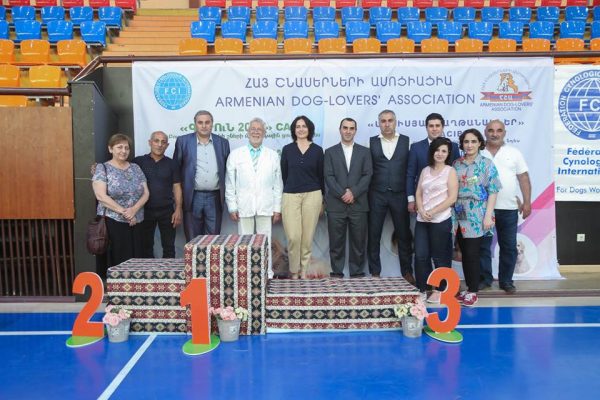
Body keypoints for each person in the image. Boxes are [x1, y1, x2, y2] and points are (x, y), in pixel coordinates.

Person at [225, 118, 283, 278]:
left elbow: (278, 184)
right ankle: (245, 273)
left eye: (259, 129)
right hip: (244, 205)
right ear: (248, 132)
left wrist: (277, 208)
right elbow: (230, 183)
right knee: (244, 242)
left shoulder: (272, 155)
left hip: (266, 205)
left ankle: (266, 273)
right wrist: (232, 206)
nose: (256, 132)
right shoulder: (236, 155)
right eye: (253, 129)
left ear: (264, 133)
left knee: (265, 241)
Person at [480, 120, 532, 294]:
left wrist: (527, 202)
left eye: (499, 130)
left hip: (508, 209)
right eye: (491, 130)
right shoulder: (478, 152)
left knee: (509, 247)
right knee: (483, 247)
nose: (495, 134)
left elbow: (523, 178)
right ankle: (484, 279)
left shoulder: (514, 152)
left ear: (504, 133)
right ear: (485, 132)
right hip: (483, 209)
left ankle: (506, 281)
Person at [453, 128, 501, 307]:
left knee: (473, 253)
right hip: (459, 212)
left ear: (480, 143)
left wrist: (488, 216)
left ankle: (473, 291)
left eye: (473, 141)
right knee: (464, 253)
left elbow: (493, 190)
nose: (469, 145)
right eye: (466, 141)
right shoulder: (456, 164)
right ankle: (468, 289)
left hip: (478, 212)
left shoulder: (486, 164)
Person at [92, 134, 149, 277]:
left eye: (126, 148)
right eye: (119, 147)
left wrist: (134, 210)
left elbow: (146, 193)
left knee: (137, 261)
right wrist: (126, 213)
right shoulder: (102, 168)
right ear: (110, 149)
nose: (123, 151)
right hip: (113, 223)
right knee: (118, 261)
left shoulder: (136, 168)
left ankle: (135, 288)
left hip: (137, 222)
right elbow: (101, 196)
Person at [368, 110, 413, 281]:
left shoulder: (407, 141)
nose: (387, 124)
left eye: (390, 120)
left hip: (400, 194)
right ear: (379, 123)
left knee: (403, 235)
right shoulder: (370, 142)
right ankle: (375, 273)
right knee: (373, 235)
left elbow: (411, 171)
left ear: (395, 122)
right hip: (376, 194)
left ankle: (407, 272)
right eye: (383, 121)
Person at [324, 118, 373, 278]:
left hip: (358, 204)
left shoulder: (365, 152)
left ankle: (357, 273)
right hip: (335, 205)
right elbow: (328, 176)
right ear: (340, 130)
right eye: (345, 128)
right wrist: (342, 194)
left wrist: (353, 192)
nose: (348, 131)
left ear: (355, 131)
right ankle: (337, 273)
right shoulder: (330, 152)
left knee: (358, 242)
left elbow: (367, 175)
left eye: (351, 128)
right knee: (336, 242)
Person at [173, 110, 230, 241]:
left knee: (213, 240)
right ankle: (194, 256)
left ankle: (210, 256)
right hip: (192, 197)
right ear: (195, 124)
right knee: (193, 239)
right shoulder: (183, 141)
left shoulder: (223, 143)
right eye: (200, 122)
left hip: (215, 197)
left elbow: (227, 170)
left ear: (212, 124)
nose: (204, 126)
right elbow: (176, 171)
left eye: (207, 122)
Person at [414, 137, 458, 303]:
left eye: (444, 151)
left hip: (441, 219)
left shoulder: (450, 171)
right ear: (432, 152)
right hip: (422, 219)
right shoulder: (425, 170)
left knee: (440, 257)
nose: (440, 154)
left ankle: (440, 290)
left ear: (448, 154)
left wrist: (432, 211)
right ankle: (423, 288)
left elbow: (452, 197)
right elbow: (418, 192)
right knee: (420, 255)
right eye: (437, 150)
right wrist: (421, 209)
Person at [280, 115, 324, 280]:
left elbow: (321, 176)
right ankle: (294, 271)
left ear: (309, 129)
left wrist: (323, 201)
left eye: (304, 126)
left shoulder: (317, 150)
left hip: (313, 195)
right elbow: (284, 175)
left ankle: (304, 271)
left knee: (307, 238)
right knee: (293, 236)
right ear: (294, 130)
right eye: (297, 126)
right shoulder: (287, 149)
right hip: (291, 196)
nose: (301, 129)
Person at [132, 131, 182, 258]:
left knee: (169, 247)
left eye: (163, 142)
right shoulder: (138, 162)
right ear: (150, 142)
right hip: (144, 211)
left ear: (167, 145)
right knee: (146, 246)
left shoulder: (172, 164)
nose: (160, 145)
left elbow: (176, 187)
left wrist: (178, 209)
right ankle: (149, 271)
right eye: (156, 141)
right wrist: (99, 167)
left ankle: (169, 271)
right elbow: (120, 168)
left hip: (167, 211)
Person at [407, 113, 460, 213]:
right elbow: (410, 175)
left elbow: (458, 173)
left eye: (437, 125)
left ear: (442, 127)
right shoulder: (416, 148)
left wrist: (454, 198)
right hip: (422, 201)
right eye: (431, 126)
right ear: (426, 128)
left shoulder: (453, 147)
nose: (434, 129)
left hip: (445, 202)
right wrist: (411, 199)